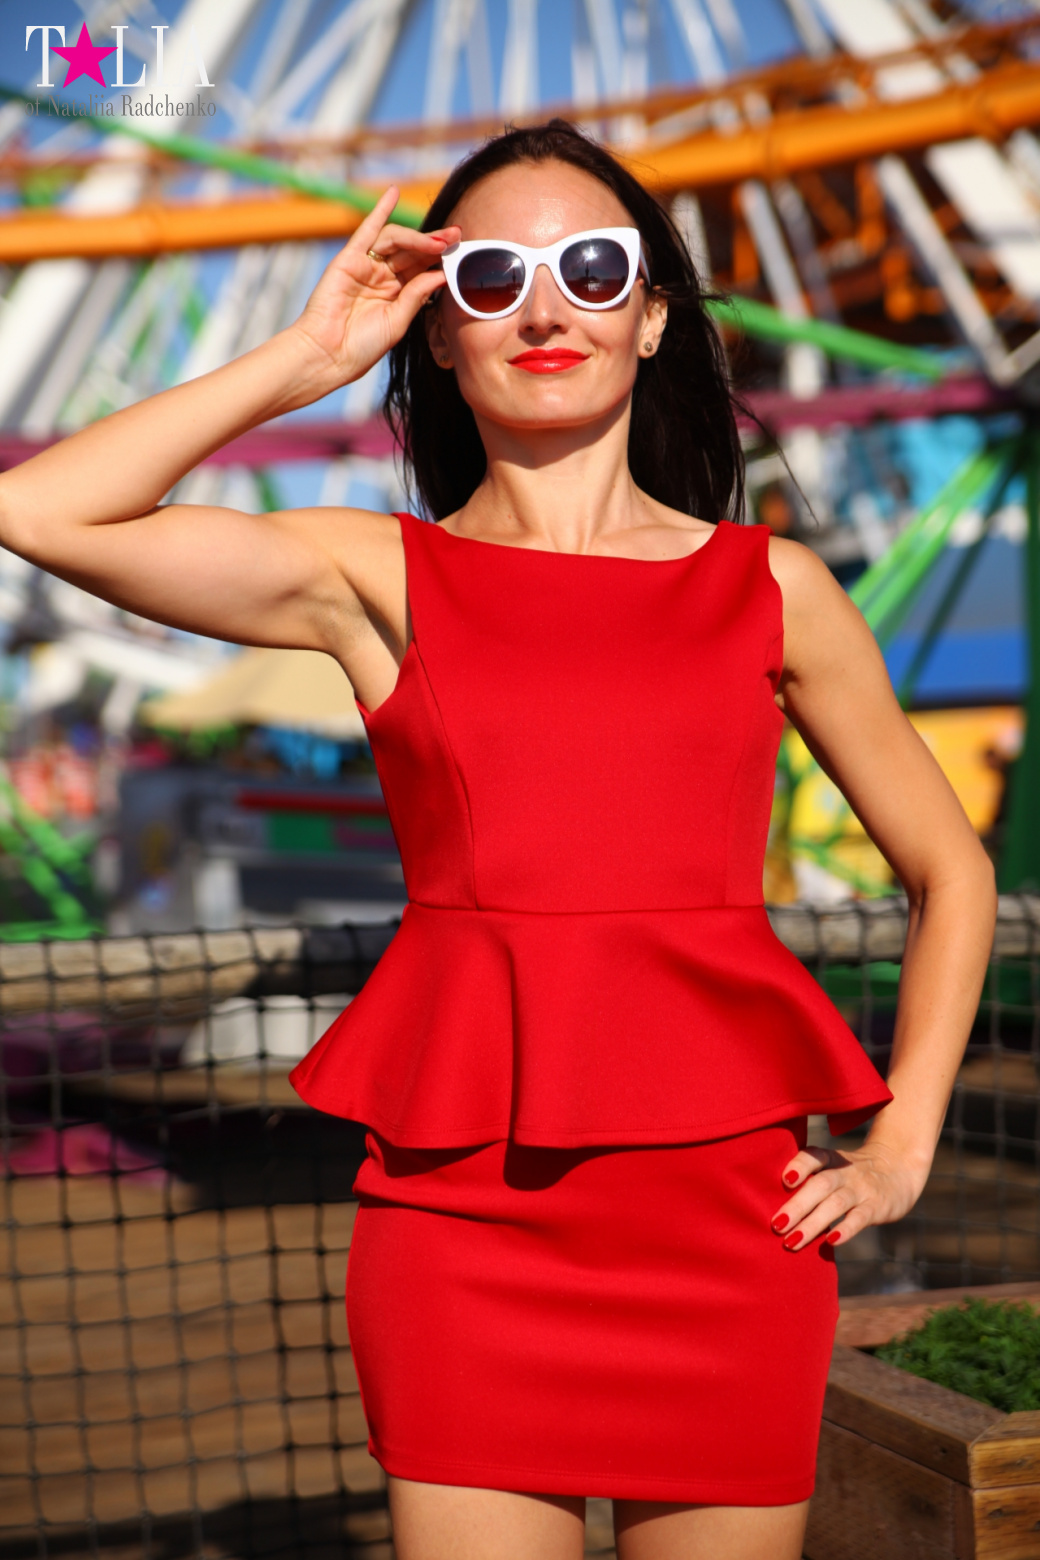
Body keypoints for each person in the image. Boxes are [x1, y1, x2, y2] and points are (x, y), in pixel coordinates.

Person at [0, 120, 996, 1560]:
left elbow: (949, 868)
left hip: (731, 1225)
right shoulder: (372, 575)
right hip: (466, 1233)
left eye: (592, 268)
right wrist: (304, 360)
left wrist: (905, 1142)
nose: (545, 308)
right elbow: (35, 507)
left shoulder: (774, 587)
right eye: (492, 277)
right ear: (442, 331)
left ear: (651, 318)